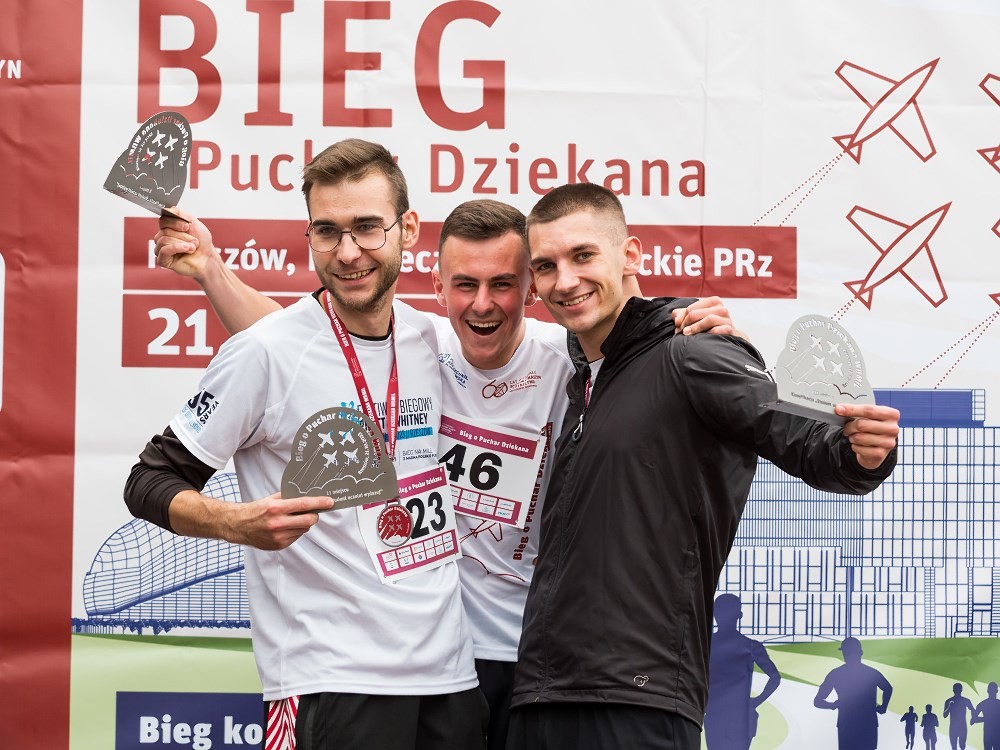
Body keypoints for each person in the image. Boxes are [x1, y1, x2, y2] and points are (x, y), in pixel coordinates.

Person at [151, 193, 736, 749]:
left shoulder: (568, 357)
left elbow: (642, 346)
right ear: (438, 286)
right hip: (446, 657)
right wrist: (212, 272)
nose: (482, 304)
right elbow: (294, 340)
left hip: (538, 659)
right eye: (464, 285)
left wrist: (685, 322)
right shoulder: (425, 344)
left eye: (502, 284)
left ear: (531, 289)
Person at [507, 182, 901, 750]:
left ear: (630, 255)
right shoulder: (581, 380)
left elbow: (801, 436)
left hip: (637, 700)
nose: (564, 280)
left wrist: (858, 451)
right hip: (544, 693)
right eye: (546, 266)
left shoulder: (692, 349)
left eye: (583, 255)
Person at [124, 139, 487, 750]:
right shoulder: (263, 353)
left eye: (367, 228)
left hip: (449, 677)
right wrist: (235, 522)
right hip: (329, 679)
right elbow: (148, 482)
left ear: (408, 229)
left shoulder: (432, 339)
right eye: (327, 231)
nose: (347, 252)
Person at [704, 594, 780, 750]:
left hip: (722, 713)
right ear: (739, 615)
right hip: (733, 714)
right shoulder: (750, 646)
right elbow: (774, 677)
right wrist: (755, 701)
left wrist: (756, 701)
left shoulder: (707, 646)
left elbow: (775, 677)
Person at [813, 637, 893, 750]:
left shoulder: (836, 674)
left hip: (847, 725)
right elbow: (888, 688)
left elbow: (818, 701)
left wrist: (835, 705)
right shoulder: (871, 673)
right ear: (860, 653)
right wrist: (883, 707)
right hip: (867, 725)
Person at [943, 683, 975, 750]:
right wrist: (949, 707)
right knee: (954, 747)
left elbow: (972, 709)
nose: (957, 691)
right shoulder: (949, 701)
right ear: (953, 690)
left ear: (961, 690)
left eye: (958, 689)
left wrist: (973, 718)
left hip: (962, 726)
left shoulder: (965, 700)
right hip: (953, 727)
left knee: (962, 746)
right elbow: (944, 715)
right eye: (956, 689)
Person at [971, 681, 1000, 750]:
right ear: (997, 691)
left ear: (987, 691)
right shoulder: (983, 704)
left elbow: (973, 720)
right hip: (994, 735)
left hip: (991, 735)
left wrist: (985, 719)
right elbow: (973, 720)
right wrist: (987, 719)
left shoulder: (982, 704)